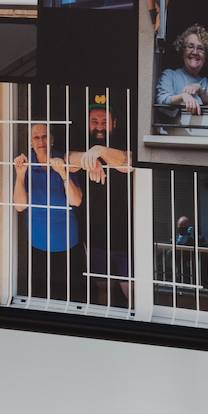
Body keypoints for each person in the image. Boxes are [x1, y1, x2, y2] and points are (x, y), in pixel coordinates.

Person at [66, 103, 133, 306]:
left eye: (105, 121)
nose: (99, 126)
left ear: (114, 123)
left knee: (131, 290)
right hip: (94, 233)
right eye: (94, 121)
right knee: (103, 288)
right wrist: (89, 159)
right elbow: (67, 159)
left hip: (126, 234)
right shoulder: (81, 140)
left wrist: (99, 151)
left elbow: (129, 162)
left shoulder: (123, 138)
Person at [13, 122, 83, 301]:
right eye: (36, 138)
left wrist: (63, 173)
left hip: (67, 242)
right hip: (38, 244)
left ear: (51, 139)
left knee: (70, 296)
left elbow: (76, 201)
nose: (41, 141)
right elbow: (19, 206)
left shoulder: (64, 160)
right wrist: (20, 175)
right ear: (30, 142)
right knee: (40, 296)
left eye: (44, 136)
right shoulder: (26, 164)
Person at [156, 24, 208, 115]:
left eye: (200, 48)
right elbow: (161, 100)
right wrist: (183, 97)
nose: (195, 52)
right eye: (190, 47)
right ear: (182, 50)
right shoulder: (170, 76)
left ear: (206, 55)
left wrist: (201, 91)